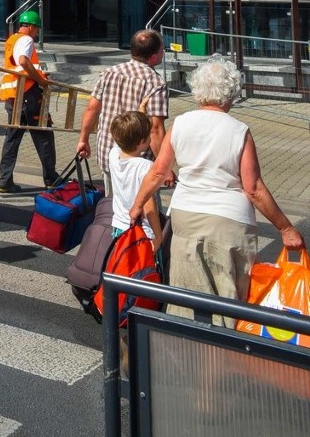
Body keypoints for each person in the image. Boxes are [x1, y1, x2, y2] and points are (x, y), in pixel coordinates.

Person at [129, 56, 304, 325]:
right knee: (229, 299)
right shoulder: (239, 131)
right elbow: (254, 188)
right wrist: (285, 227)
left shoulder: (180, 124)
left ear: (197, 90)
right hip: (230, 222)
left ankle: (190, 353)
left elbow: (158, 172)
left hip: (186, 217)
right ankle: (227, 354)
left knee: (189, 296)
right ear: (231, 93)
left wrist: (138, 204)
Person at [76, 29, 168, 193]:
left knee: (113, 205)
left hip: (108, 153)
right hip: (138, 161)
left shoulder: (110, 72)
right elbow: (155, 128)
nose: (163, 53)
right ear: (153, 56)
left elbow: (92, 108)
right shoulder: (155, 83)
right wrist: (164, 167)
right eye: (162, 50)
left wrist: (83, 139)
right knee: (143, 211)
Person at [0, 10, 59, 193]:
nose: (37, 33)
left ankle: (5, 180)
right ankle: (51, 178)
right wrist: (39, 80)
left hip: (13, 95)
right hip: (28, 94)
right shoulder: (26, 40)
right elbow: (23, 61)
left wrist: (37, 74)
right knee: (44, 135)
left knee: (12, 138)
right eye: (36, 29)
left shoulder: (11, 40)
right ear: (31, 27)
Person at [107, 111, 162, 249]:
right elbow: (148, 206)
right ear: (142, 142)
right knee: (144, 270)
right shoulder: (145, 167)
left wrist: (140, 111)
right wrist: (158, 236)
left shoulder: (113, 155)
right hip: (142, 232)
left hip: (119, 227)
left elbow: (128, 134)